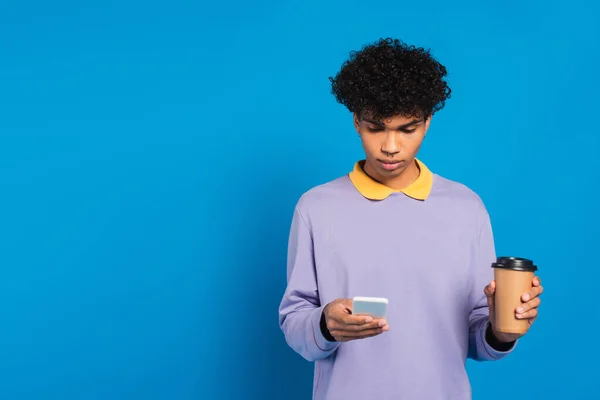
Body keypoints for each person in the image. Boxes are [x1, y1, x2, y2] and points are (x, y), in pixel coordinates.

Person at [278, 38, 544, 399]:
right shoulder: (315, 207)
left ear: (428, 122)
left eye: (407, 129)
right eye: (376, 128)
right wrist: (324, 324)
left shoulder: (466, 207)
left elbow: (478, 337)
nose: (390, 146)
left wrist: (502, 331)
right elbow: (295, 322)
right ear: (356, 121)